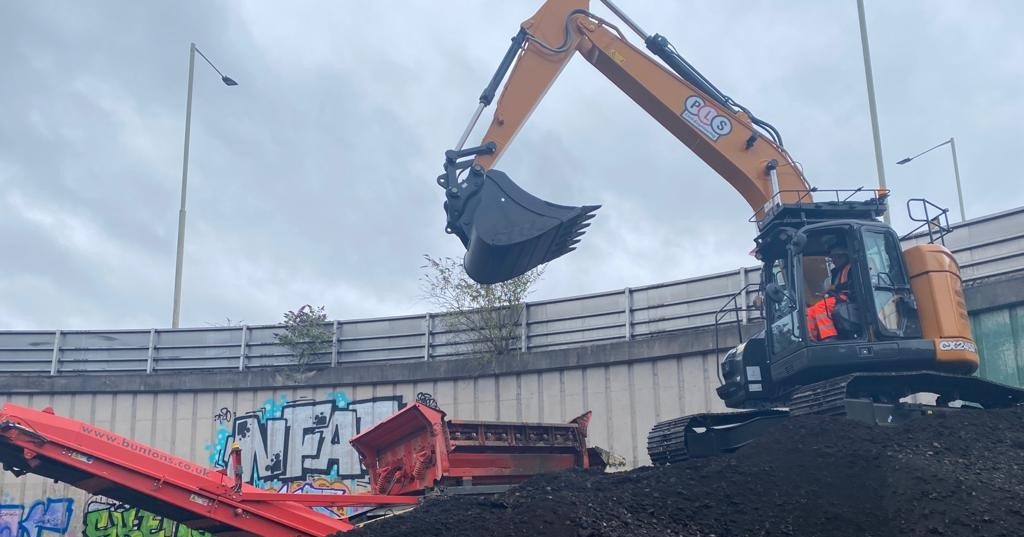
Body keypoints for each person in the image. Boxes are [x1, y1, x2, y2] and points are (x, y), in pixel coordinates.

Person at [806, 245, 853, 341]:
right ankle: (812, 339)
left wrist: (835, 287)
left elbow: (853, 285)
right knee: (810, 311)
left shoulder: (853, 269)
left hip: (848, 298)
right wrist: (829, 291)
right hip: (837, 297)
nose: (834, 260)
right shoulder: (836, 272)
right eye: (832, 258)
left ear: (845, 256)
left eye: (837, 257)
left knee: (821, 307)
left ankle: (829, 336)